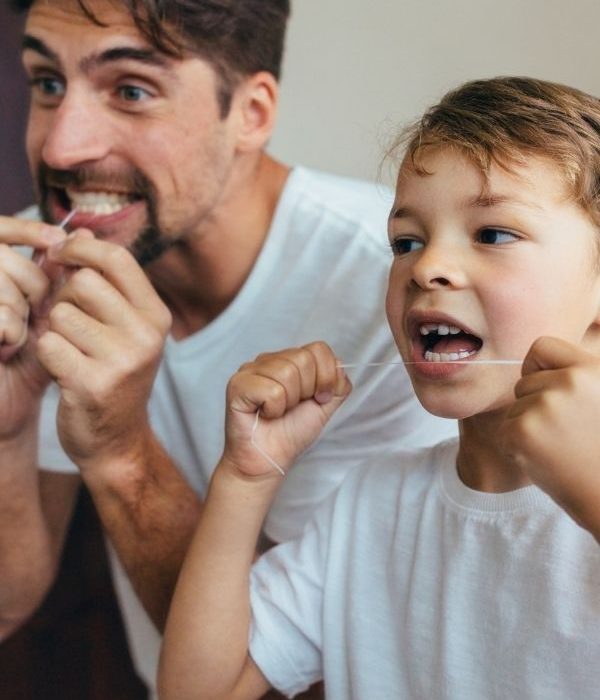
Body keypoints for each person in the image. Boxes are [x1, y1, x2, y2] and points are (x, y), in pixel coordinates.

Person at [0, 0, 456, 696]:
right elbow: (8, 603)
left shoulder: (400, 295)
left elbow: (301, 682)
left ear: (251, 112)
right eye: (47, 82)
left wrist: (122, 452)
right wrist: (7, 429)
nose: (62, 149)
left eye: (130, 90)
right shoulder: (45, 259)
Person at [158, 76, 600, 700]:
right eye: (406, 241)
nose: (426, 267)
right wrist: (245, 479)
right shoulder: (368, 504)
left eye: (492, 234)